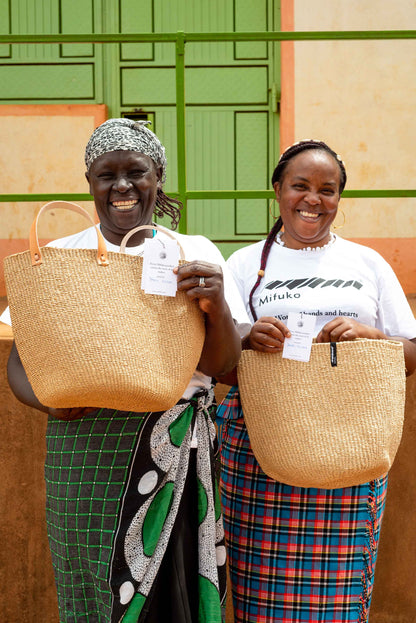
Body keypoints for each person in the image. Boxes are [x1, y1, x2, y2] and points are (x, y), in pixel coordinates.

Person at [1, 118, 250, 623]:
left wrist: (217, 304)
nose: (121, 186)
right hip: (86, 447)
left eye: (135, 172)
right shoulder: (58, 259)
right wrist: (51, 402)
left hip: (174, 446)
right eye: (105, 174)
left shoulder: (192, 253)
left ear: (156, 177)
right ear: (89, 183)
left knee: (168, 595)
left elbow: (222, 367)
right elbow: (20, 364)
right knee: (94, 581)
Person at [217, 139, 416, 623]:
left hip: (351, 444)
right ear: (278, 190)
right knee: (259, 589)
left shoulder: (367, 264)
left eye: (327, 190)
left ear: (339, 198)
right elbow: (216, 362)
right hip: (261, 444)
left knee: (340, 597)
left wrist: (370, 336)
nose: (313, 199)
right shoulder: (244, 265)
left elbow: (410, 354)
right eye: (300, 186)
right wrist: (246, 340)